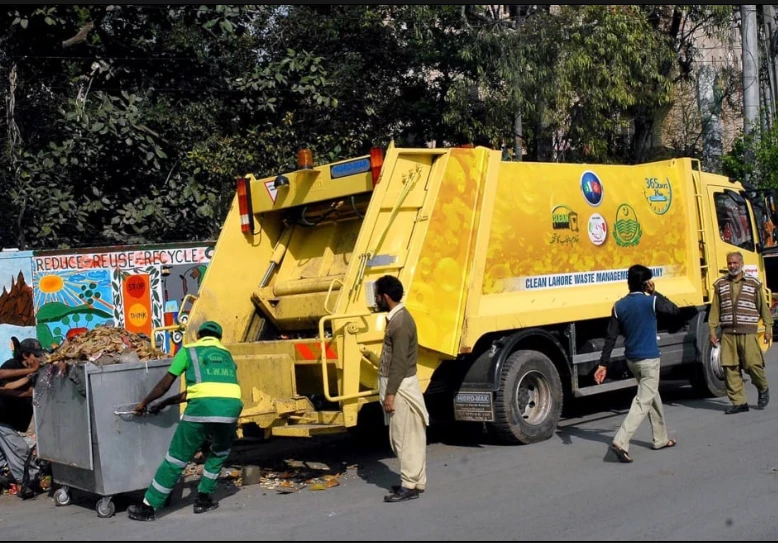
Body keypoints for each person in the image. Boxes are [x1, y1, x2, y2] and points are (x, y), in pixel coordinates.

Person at [127, 321, 243, 521]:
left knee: (177, 458)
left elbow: (166, 383)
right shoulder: (227, 355)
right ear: (219, 338)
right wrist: (166, 403)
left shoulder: (189, 351)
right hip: (231, 410)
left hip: (201, 409)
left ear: (198, 335)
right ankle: (204, 500)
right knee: (218, 452)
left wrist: (145, 402)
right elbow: (204, 389)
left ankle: (149, 507)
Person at [594, 265, 680, 463]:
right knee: (643, 401)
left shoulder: (619, 306)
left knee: (651, 395)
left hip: (632, 360)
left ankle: (660, 439)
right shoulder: (651, 301)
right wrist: (655, 291)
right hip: (649, 359)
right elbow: (674, 310)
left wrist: (603, 364)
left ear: (628, 282)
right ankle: (621, 441)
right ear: (646, 283)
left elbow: (610, 337)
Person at [374, 275, 429, 502]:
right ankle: (415, 481)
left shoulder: (400, 323)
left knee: (403, 438)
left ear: (385, 297)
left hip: (400, 388)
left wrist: (390, 394)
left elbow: (398, 363)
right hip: (400, 385)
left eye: (377, 295)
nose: (376, 299)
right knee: (410, 436)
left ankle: (409, 485)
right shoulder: (398, 319)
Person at [709, 251, 772, 414]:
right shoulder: (720, 284)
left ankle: (762, 387)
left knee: (752, 364)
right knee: (730, 367)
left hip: (748, 331)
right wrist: (712, 331)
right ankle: (739, 402)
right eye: (729, 263)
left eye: (735, 263)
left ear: (742, 264)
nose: (732, 266)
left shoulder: (753, 283)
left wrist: (768, 328)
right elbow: (715, 311)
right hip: (728, 333)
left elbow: (763, 309)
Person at [0, 338, 44, 493]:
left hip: (13, 420)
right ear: (25, 355)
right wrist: (30, 372)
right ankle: (23, 483)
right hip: (3, 419)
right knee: (20, 449)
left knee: (14, 452)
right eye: (35, 355)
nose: (38, 359)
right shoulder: (12, 365)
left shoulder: (36, 370)